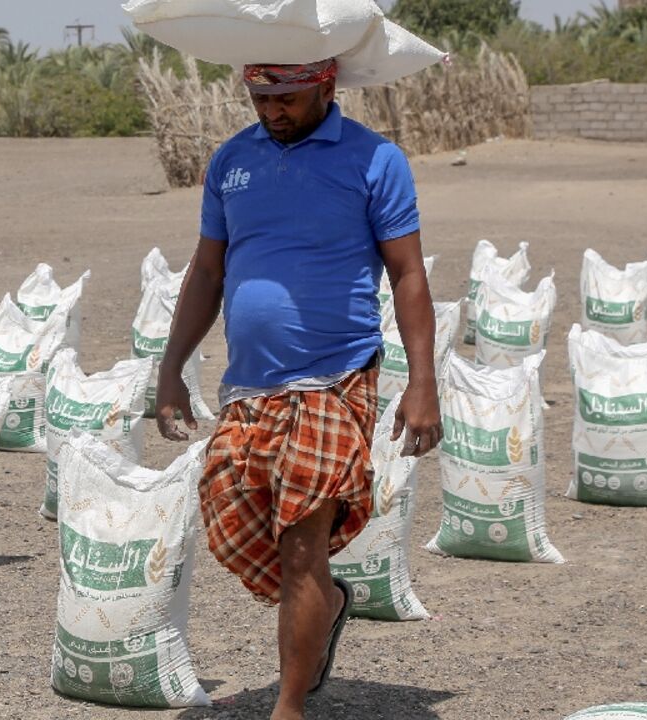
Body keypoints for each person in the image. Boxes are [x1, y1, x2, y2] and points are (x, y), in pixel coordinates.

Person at [155, 57, 442, 720]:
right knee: (231, 517)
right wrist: (171, 366)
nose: (271, 111)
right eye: (260, 97)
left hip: (335, 378)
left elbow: (407, 273)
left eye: (286, 98)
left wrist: (422, 381)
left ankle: (289, 706)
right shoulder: (232, 162)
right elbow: (206, 270)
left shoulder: (375, 160)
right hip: (250, 389)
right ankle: (330, 605)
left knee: (301, 542)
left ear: (326, 87)